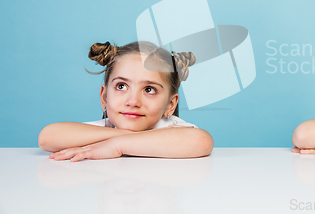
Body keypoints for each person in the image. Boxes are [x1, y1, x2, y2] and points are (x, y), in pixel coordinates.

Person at [38, 41, 213, 161]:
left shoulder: (170, 128)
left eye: (149, 90)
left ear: (170, 104)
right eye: (121, 86)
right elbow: (47, 137)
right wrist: (125, 136)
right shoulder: (108, 127)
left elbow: (202, 141)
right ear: (104, 97)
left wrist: (117, 146)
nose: (133, 101)